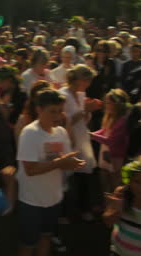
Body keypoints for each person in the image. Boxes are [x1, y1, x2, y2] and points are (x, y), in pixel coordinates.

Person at [17, 89, 85, 256]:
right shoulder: (30, 133)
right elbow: (30, 169)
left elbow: (64, 161)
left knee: (46, 237)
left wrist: (71, 163)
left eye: (60, 111)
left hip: (54, 199)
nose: (57, 116)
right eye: (52, 111)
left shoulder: (61, 132)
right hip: (32, 201)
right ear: (39, 110)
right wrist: (62, 162)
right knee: (28, 244)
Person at [59, 65, 101, 221]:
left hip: (81, 137)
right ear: (79, 80)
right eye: (87, 80)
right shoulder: (63, 95)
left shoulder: (81, 94)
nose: (89, 84)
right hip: (69, 139)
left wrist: (88, 110)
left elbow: (84, 120)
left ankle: (84, 208)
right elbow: (64, 120)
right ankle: (64, 212)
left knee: (83, 175)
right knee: (67, 178)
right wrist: (84, 110)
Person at [90, 89, 130, 193]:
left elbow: (111, 141)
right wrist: (92, 134)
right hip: (105, 154)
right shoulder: (109, 117)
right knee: (105, 182)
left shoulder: (122, 121)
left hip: (115, 158)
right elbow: (104, 130)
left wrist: (92, 136)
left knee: (115, 184)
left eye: (109, 103)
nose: (106, 105)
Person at [0, 65, 27, 167]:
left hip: (11, 139)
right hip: (0, 137)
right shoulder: (5, 91)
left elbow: (11, 119)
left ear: (9, 80)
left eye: (0, 81)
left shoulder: (21, 95)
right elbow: (2, 107)